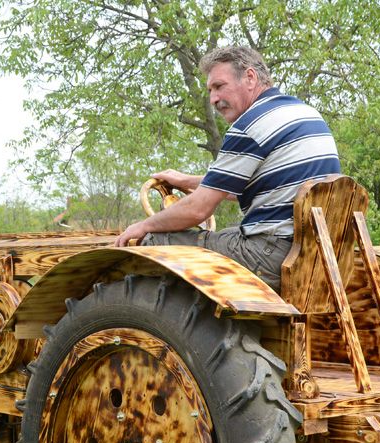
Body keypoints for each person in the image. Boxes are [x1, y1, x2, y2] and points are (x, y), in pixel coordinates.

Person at [115, 46, 341, 292]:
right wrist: (187, 181)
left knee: (155, 241)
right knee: (224, 235)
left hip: (270, 257)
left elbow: (198, 210)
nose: (213, 99)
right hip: (318, 256)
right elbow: (262, 186)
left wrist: (143, 226)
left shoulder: (250, 125)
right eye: (210, 90)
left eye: (219, 86)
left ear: (250, 78)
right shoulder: (305, 114)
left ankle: (169, 326)